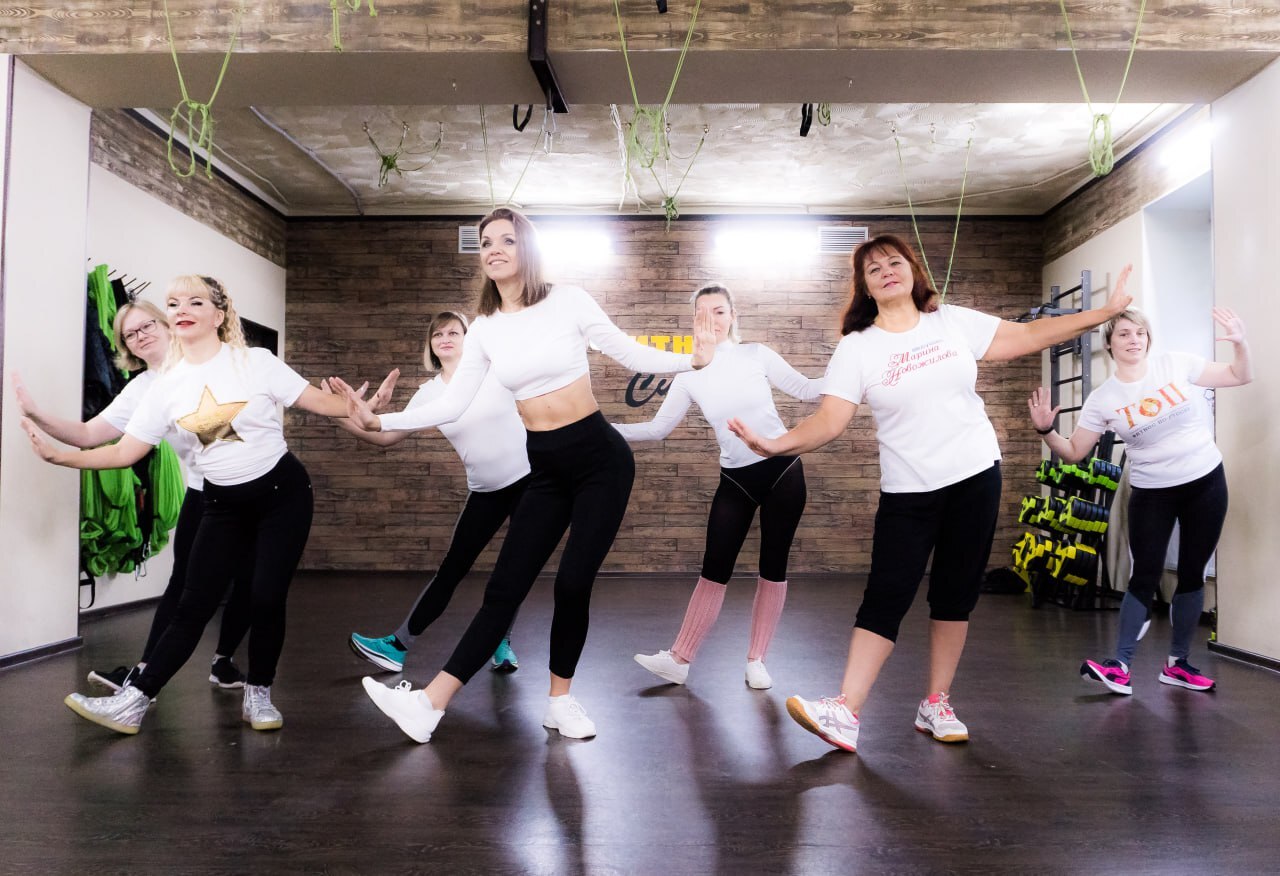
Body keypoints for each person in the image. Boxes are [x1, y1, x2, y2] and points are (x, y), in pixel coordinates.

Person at [728, 235, 1132, 753]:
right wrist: (774, 445)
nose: (886, 271)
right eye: (874, 269)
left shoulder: (951, 322)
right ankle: (846, 711)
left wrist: (1106, 313)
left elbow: (1030, 335)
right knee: (886, 595)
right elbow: (829, 420)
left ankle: (936, 702)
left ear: (913, 271)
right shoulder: (857, 347)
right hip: (909, 489)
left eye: (894, 262)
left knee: (955, 594)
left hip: (975, 476)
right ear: (865, 288)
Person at [336, 206, 715, 743]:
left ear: (527, 249)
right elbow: (452, 403)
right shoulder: (485, 329)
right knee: (503, 589)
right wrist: (381, 420)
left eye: (507, 240)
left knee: (572, 583)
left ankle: (560, 701)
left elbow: (628, 352)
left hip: (600, 461)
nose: (494, 249)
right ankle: (427, 706)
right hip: (545, 468)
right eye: (486, 242)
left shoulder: (568, 300)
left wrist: (691, 360)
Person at [24, 274, 393, 735]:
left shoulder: (255, 362)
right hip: (221, 503)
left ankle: (259, 693)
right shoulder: (162, 387)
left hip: (283, 496)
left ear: (219, 315)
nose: (181, 308)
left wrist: (363, 407)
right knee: (192, 606)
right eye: (174, 302)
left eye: (194, 302)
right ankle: (133, 703)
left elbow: (323, 403)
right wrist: (61, 457)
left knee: (265, 597)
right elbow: (123, 452)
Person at [14, 298, 252, 693]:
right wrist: (37, 415)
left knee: (252, 580)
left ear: (166, 324)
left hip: (254, 485)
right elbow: (89, 433)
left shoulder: (209, 362)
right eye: (129, 335)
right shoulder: (142, 388)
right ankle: (143, 673)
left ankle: (223, 662)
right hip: (203, 493)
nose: (140, 337)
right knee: (183, 583)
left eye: (146, 326)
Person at [1029, 305, 1252, 696]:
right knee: (1144, 575)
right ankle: (1120, 666)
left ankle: (1178, 665)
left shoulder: (1174, 364)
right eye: (1124, 334)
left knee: (1193, 572)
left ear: (1148, 339)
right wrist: (1047, 430)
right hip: (1152, 492)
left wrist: (1240, 343)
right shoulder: (1103, 398)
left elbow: (1239, 375)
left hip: (1205, 481)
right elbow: (1075, 452)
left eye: (1140, 333)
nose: (1134, 340)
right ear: (1109, 344)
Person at [617, 283, 821, 690]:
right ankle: (679, 660)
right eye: (702, 312)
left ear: (733, 317)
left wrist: (857, 370)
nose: (711, 319)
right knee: (715, 567)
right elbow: (657, 429)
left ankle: (757, 660)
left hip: (783, 471)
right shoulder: (688, 374)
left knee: (773, 565)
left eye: (719, 311)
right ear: (693, 319)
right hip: (735, 479)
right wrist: (601, 430)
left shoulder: (756, 354)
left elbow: (807, 389)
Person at [335, 311, 529, 674]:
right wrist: (342, 415)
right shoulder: (429, 394)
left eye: (453, 332)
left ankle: (501, 643)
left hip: (529, 483)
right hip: (484, 491)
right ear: (431, 345)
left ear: (468, 338)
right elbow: (387, 436)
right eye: (437, 334)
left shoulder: (495, 373)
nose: (445, 338)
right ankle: (397, 647)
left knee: (513, 570)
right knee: (450, 571)